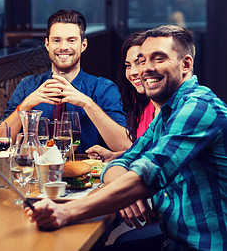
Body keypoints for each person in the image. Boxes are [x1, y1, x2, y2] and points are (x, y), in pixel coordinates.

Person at [25, 25, 227, 250]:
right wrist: (128, 192)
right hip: (171, 239)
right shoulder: (168, 112)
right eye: (142, 60)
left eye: (158, 59)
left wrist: (66, 211)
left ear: (186, 64)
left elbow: (147, 173)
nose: (145, 69)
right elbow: (123, 161)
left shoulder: (199, 107)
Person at [2, 9, 131, 153]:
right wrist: (26, 105)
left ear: (83, 45)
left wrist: (87, 103)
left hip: (88, 173)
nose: (63, 47)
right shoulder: (28, 86)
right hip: (36, 173)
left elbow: (124, 146)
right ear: (47, 44)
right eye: (56, 40)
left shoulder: (104, 89)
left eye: (71, 40)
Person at [86, 32, 156, 162]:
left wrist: (87, 104)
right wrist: (114, 156)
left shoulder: (164, 104)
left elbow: (158, 160)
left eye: (140, 62)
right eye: (128, 66)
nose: (133, 72)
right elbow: (143, 151)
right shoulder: (139, 103)